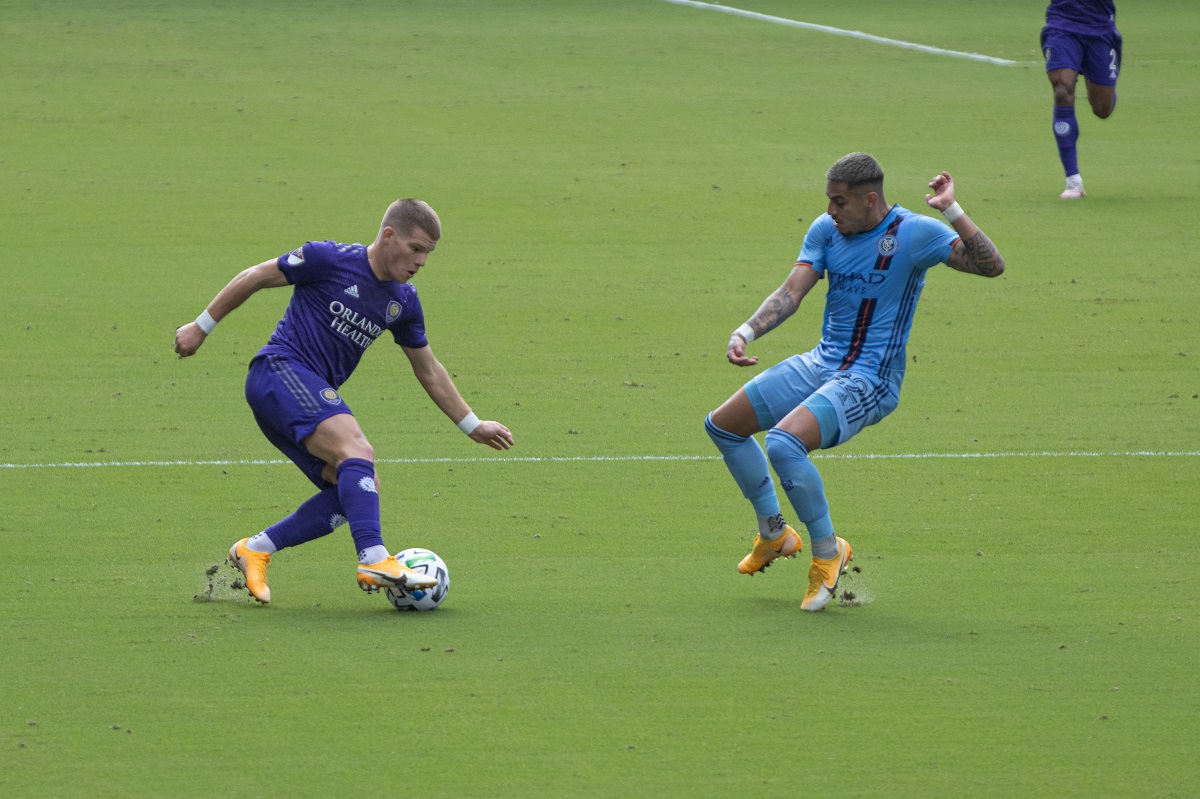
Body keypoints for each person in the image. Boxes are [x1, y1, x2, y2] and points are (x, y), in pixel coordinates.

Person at [174, 198, 514, 604]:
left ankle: (256, 549)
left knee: (356, 489)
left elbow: (429, 368)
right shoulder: (328, 258)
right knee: (357, 448)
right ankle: (374, 558)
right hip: (279, 371)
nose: (422, 261)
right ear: (389, 236)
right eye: (416, 249)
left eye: (428, 254)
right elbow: (256, 275)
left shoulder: (403, 301)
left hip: (295, 398)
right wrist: (201, 326)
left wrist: (472, 425)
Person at [705, 153, 1005, 611]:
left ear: (869, 201)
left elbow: (991, 266)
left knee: (784, 444)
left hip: (871, 378)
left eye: (839, 202)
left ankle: (829, 554)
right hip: (823, 363)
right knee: (724, 425)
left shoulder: (914, 233)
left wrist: (951, 209)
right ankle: (774, 532)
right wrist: (745, 332)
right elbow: (791, 292)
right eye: (828, 200)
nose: (830, 211)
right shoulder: (826, 231)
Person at [1041, 0, 1121, 199]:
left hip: (1099, 26)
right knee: (1062, 89)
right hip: (1062, 23)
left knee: (1103, 108)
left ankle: (1086, 68)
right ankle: (1073, 180)